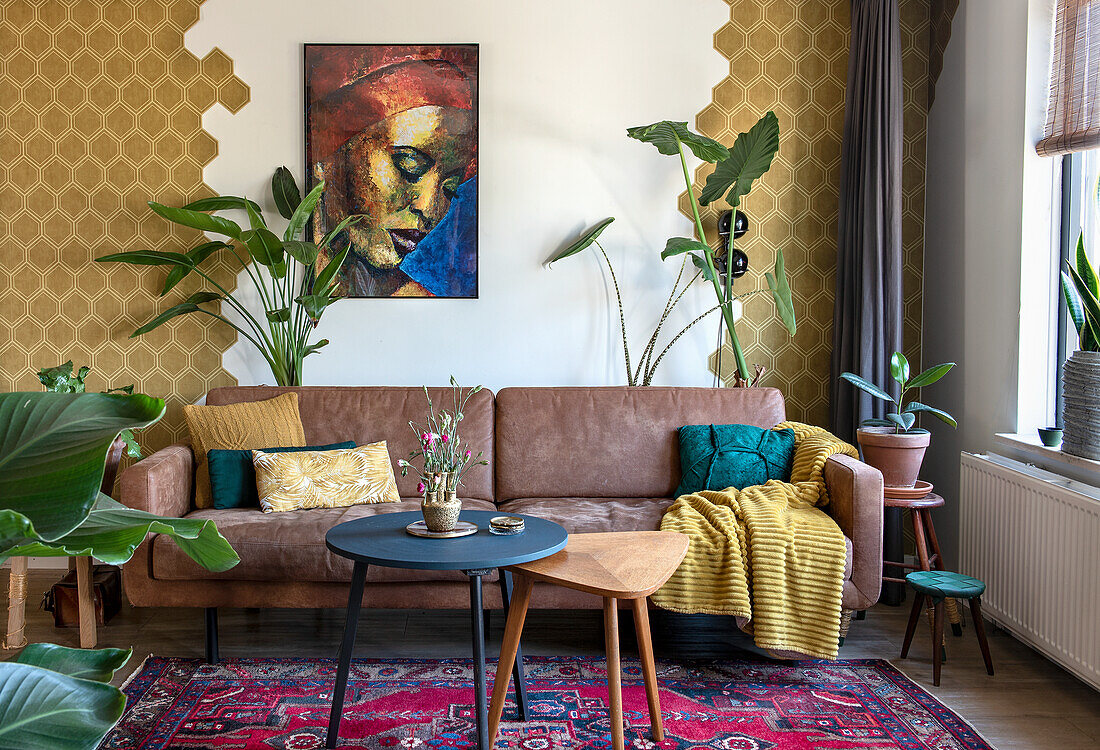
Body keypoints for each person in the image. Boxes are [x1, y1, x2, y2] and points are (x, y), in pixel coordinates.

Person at [307, 47, 477, 297]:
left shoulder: (419, 303)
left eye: (449, 190)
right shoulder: (289, 287)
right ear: (334, 156)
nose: (430, 208)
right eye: (409, 166)